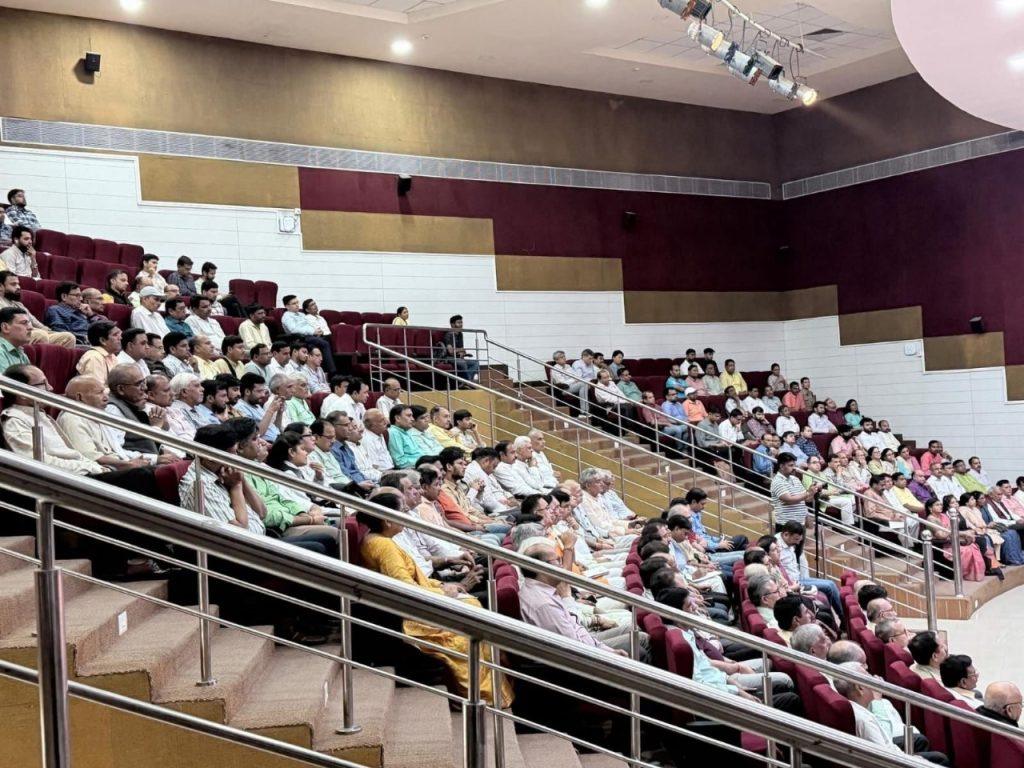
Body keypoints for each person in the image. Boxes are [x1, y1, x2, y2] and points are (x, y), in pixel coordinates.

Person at [357, 507, 512, 706]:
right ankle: (474, 693)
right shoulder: (383, 545)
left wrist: (443, 586)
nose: (405, 515)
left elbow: (414, 578)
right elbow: (405, 586)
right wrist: (444, 593)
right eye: (400, 512)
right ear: (388, 521)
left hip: (413, 599)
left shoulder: (382, 540)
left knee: (471, 604)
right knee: (469, 617)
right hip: (410, 611)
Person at [519, 542, 649, 661]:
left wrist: (603, 647)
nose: (561, 565)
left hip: (586, 639)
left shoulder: (544, 590)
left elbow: (574, 628)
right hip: (583, 657)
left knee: (636, 631)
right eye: (557, 560)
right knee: (640, 643)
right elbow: (574, 648)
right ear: (541, 567)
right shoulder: (544, 605)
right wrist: (609, 653)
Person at [775, 520, 842, 614]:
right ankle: (841, 616)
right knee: (828, 587)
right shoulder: (776, 546)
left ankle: (839, 616)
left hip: (799, 578)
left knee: (831, 583)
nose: (797, 543)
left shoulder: (787, 540)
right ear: (786, 534)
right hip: (794, 583)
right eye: (796, 539)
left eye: (799, 540)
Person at [0, 272, 76, 347]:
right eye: (13, 284)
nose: (18, 287)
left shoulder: (18, 304)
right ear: (1, 286)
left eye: (18, 284)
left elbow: (34, 322)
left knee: (68, 337)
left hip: (32, 331)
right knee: (40, 335)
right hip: (12, 334)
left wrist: (48, 331)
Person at [926, 497, 986, 581]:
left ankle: (972, 574)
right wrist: (952, 523)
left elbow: (952, 531)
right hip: (942, 545)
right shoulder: (931, 519)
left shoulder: (943, 516)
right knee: (966, 551)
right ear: (930, 508)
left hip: (951, 541)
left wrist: (964, 533)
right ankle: (963, 574)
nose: (940, 506)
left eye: (941, 505)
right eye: (937, 505)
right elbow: (941, 536)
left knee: (973, 547)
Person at [770, 453, 820, 529]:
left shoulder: (795, 479)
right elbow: (789, 500)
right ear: (781, 466)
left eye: (794, 465)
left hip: (800, 524)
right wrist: (808, 493)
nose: (794, 468)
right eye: (791, 465)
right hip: (786, 525)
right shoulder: (777, 481)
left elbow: (806, 499)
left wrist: (813, 491)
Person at [165, 373, 206, 441]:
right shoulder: (174, 411)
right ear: (184, 392)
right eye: (197, 386)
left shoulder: (196, 409)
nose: (202, 389)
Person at [442, 314, 479, 383]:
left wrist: (462, 353)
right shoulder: (449, 335)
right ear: (452, 324)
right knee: (462, 363)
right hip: (449, 358)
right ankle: (468, 382)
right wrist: (461, 350)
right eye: (458, 323)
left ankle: (466, 382)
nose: (461, 324)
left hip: (458, 357)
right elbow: (450, 351)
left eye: (461, 322)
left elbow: (462, 349)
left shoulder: (460, 334)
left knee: (475, 363)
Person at [567, 349, 597, 415]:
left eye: (592, 358)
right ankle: (584, 411)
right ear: (584, 357)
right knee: (584, 384)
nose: (591, 360)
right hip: (575, 384)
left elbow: (594, 376)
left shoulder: (591, 364)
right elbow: (579, 378)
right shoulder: (577, 363)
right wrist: (590, 382)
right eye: (590, 358)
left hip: (589, 383)